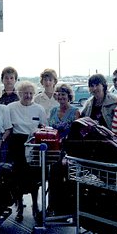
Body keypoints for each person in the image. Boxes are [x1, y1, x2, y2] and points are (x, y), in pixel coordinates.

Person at [7, 81, 47, 222]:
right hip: (17, 144)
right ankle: (19, 207)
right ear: (19, 94)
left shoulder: (39, 109)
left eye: (31, 93)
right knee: (17, 177)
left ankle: (35, 205)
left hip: (33, 145)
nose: (28, 96)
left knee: (33, 178)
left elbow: (44, 127)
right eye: (25, 93)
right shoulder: (10, 108)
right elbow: (8, 127)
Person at [46, 83, 80, 216]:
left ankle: (64, 209)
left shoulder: (75, 111)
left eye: (63, 94)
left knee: (66, 178)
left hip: (68, 150)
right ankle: (51, 206)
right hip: (53, 149)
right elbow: (50, 128)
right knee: (52, 177)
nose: (61, 97)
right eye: (58, 94)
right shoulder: (54, 110)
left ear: (69, 96)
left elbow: (76, 133)